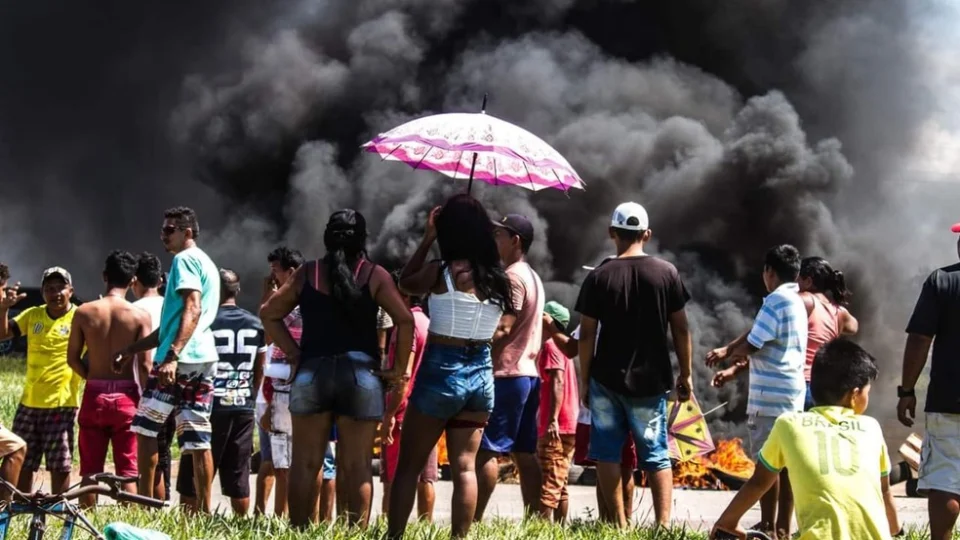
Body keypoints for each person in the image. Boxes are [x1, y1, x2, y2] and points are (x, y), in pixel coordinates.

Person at [260, 209, 413, 529]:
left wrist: (293, 352)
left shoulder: (307, 273)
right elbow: (405, 319)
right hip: (361, 376)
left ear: (327, 238)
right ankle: (353, 534)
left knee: (305, 463)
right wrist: (396, 369)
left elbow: (269, 313)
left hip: (311, 373)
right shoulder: (375, 275)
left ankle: (300, 532)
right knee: (356, 465)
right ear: (363, 240)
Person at [389, 194, 515, 539]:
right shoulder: (498, 279)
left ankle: (394, 536)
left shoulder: (440, 272)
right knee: (464, 468)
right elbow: (504, 328)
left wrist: (428, 237)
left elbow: (405, 282)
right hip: (481, 374)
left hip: (441, 371)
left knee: (409, 467)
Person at [575, 202, 693, 528]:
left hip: (605, 379)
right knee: (655, 454)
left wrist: (584, 380)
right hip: (651, 380)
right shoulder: (666, 273)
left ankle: (618, 526)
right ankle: (663, 526)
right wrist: (686, 374)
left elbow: (586, 335)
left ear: (612, 233)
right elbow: (681, 327)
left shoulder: (599, 275)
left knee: (607, 453)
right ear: (647, 233)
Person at [711, 339, 902, 540]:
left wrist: (726, 523)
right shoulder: (870, 427)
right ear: (854, 395)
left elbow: (758, 483)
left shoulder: (789, 424)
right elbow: (884, 490)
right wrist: (897, 533)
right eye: (867, 392)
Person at [116, 206, 221, 512]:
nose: (163, 234)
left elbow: (193, 307)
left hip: (180, 359)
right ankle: (204, 511)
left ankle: (145, 504)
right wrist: (133, 349)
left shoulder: (185, 260)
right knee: (198, 437)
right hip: (202, 357)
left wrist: (172, 356)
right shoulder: (206, 262)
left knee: (146, 428)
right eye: (163, 229)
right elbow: (171, 324)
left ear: (188, 232)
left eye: (169, 229)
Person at [707, 244, 807, 538]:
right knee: (786, 467)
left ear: (769, 272)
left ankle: (766, 525)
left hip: (771, 399)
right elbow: (757, 331)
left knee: (767, 465)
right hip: (791, 395)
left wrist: (727, 354)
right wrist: (729, 350)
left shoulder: (775, 301)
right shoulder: (795, 301)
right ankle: (781, 529)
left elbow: (754, 342)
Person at [66, 251, 154, 507]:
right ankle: (129, 524)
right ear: (133, 279)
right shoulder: (139, 316)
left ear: (104, 277)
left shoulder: (84, 312)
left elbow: (72, 358)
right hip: (128, 397)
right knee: (127, 470)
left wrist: (92, 377)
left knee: (89, 471)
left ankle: (85, 523)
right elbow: (145, 364)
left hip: (94, 394)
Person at [178, 269, 266, 515]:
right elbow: (261, 367)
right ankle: (241, 524)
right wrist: (249, 394)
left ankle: (191, 525)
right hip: (243, 405)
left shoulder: (205, 322)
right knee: (239, 475)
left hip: (210, 405)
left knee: (193, 472)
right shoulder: (256, 323)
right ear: (237, 291)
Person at [475, 213, 545, 519]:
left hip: (507, 375)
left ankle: (471, 518)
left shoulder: (514, 277)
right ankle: (537, 520)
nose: (495, 240)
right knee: (525, 452)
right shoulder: (532, 276)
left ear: (515, 240)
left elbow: (504, 328)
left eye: (500, 235)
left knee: (486, 450)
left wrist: (475, 349)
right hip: (528, 376)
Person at [897, 223, 960, 540]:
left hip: (950, 400)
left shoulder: (943, 281)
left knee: (945, 480)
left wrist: (907, 390)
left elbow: (920, 339)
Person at [0, 267, 81, 494]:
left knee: (60, 465)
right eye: (49, 288)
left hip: (61, 404)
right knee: (23, 461)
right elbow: (3, 333)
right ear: (43, 292)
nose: (55, 293)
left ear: (71, 290)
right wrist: (3, 309)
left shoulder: (80, 317)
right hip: (29, 404)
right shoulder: (33, 314)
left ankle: (57, 507)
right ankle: (24, 508)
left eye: (60, 288)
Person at [380, 280, 436, 522]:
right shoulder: (430, 324)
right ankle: (426, 528)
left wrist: (390, 414)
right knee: (426, 475)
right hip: (430, 409)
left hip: (404, 412)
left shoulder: (407, 326)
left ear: (403, 295)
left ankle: (389, 528)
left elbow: (404, 374)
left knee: (393, 476)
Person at [130, 252, 176, 502]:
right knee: (165, 449)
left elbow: (144, 362)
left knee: (148, 451)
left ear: (133, 281)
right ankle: (164, 500)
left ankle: (150, 503)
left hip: (146, 392)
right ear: (160, 280)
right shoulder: (172, 308)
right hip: (175, 386)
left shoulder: (131, 310)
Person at [535, 301, 579, 523]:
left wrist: (552, 420)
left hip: (557, 425)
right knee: (560, 482)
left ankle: (540, 531)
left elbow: (557, 382)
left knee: (550, 482)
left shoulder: (552, 345)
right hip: (567, 423)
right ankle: (559, 530)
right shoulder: (561, 345)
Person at [798, 257, 859, 410]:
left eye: (797, 278)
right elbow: (854, 326)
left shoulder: (804, 299)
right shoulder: (839, 312)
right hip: (824, 388)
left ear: (808, 281)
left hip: (800, 382)